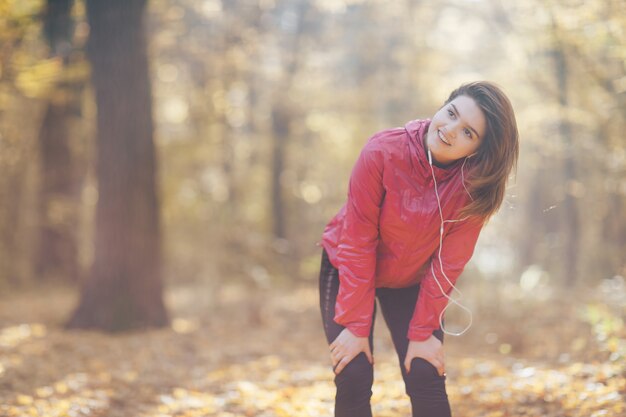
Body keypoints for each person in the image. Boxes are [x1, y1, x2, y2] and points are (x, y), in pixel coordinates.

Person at [317, 81, 519, 417]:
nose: (451, 130)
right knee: (353, 372)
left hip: (410, 278)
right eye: (451, 114)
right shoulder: (382, 151)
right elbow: (357, 240)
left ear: (478, 150)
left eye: (468, 132)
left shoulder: (475, 190)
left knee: (425, 373)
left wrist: (424, 332)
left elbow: (448, 263)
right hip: (346, 264)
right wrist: (354, 326)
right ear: (442, 106)